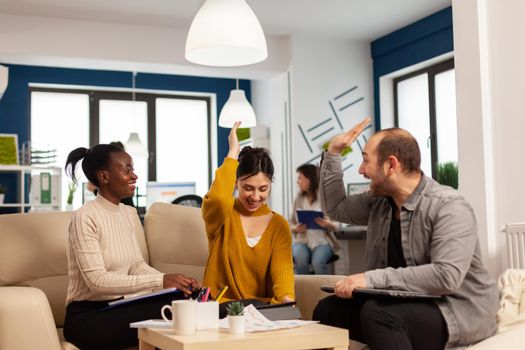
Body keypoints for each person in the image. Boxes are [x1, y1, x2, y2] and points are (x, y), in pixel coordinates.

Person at [313, 117, 499, 350]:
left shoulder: (449, 205)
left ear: (391, 165)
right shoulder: (379, 202)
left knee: (377, 313)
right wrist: (333, 153)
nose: (361, 171)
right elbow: (336, 207)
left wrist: (369, 279)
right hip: (403, 303)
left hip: (456, 309)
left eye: (365, 161)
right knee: (327, 310)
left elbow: (446, 276)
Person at [63, 144, 200, 350]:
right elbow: (97, 282)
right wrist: (160, 279)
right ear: (104, 177)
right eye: (127, 170)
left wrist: (171, 283)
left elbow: (136, 264)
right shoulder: (85, 216)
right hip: (87, 318)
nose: (134, 176)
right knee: (178, 308)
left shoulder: (126, 213)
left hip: (118, 306)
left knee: (186, 297)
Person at [202, 121, 295, 315]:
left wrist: (287, 300)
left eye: (263, 189)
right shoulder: (222, 216)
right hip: (220, 307)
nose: (255, 197)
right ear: (236, 183)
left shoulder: (278, 224)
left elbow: (283, 271)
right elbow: (219, 198)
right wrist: (233, 153)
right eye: (248, 188)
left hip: (260, 309)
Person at [290, 163, 341, 274]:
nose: (298, 182)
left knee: (317, 263)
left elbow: (337, 225)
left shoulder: (326, 199)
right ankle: (305, 290)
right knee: (300, 259)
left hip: (322, 242)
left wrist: (328, 224)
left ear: (310, 179)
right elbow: (291, 223)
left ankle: (323, 291)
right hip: (302, 241)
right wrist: (295, 229)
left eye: (300, 178)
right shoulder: (298, 199)